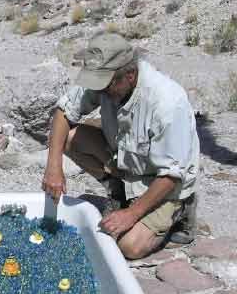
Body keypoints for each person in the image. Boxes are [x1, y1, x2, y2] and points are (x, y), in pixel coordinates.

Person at [42, 34, 200, 259]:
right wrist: (53, 166)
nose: (100, 91)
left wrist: (132, 214)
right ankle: (119, 193)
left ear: (129, 75)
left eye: (105, 86)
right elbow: (64, 111)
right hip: (126, 162)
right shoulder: (106, 82)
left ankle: (181, 210)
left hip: (163, 183)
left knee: (129, 246)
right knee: (69, 137)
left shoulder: (167, 103)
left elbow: (171, 174)